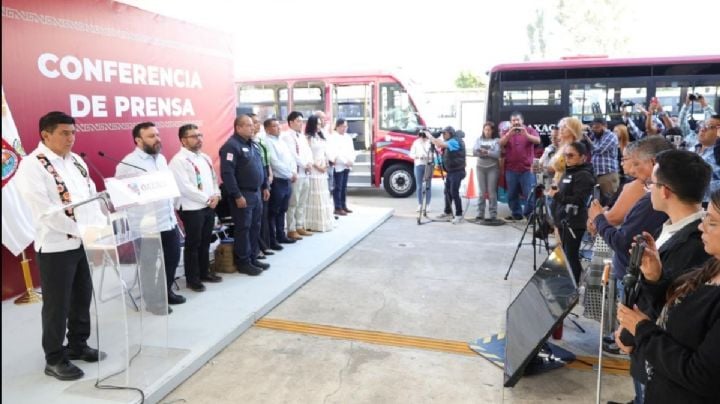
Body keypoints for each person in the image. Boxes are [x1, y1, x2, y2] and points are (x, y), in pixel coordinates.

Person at [612, 149, 712, 404]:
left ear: (665, 190)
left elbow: (677, 311)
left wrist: (635, 333)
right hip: (648, 348)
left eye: (651, 184)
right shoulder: (667, 229)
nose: (649, 190)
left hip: (659, 359)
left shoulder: (698, 246)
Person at [15, 111, 104, 381]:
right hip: (56, 246)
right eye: (65, 133)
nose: (71, 138)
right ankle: (54, 358)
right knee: (57, 304)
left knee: (81, 296)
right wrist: (82, 231)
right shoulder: (33, 166)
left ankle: (78, 344)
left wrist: (99, 226)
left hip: (83, 241)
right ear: (45, 134)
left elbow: (90, 196)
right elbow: (47, 212)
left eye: (73, 132)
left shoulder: (76, 161)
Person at [116, 122, 186, 307]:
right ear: (138, 140)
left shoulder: (161, 159)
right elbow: (122, 196)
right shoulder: (128, 163)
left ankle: (166, 291)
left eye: (157, 134)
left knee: (172, 258)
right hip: (146, 225)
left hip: (167, 220)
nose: (157, 139)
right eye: (151, 136)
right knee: (148, 264)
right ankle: (152, 300)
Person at [168, 124, 223, 293]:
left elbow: (214, 179)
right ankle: (192, 279)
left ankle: (204, 272)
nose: (199, 139)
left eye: (200, 135)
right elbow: (185, 187)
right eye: (193, 136)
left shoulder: (205, 157)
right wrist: (207, 199)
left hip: (208, 205)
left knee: (206, 240)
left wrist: (216, 195)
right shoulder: (178, 161)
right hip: (191, 208)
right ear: (183, 140)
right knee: (194, 243)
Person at [219, 115, 270, 276]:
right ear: (238, 128)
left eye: (252, 125)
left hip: (256, 193)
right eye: (248, 125)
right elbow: (227, 174)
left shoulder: (253, 144)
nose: (252, 127)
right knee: (243, 228)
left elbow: (260, 167)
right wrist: (236, 195)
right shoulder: (231, 146)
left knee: (255, 226)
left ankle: (253, 257)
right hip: (243, 194)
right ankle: (243, 262)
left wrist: (265, 186)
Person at [547, 142, 596, 283]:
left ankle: (573, 286)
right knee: (566, 255)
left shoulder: (584, 175)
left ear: (583, 158)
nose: (567, 158)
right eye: (565, 155)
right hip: (564, 221)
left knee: (571, 255)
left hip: (574, 223)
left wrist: (556, 195)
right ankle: (571, 282)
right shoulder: (570, 172)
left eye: (571, 155)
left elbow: (579, 201)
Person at [499, 112, 541, 221]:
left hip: (527, 170)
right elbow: (500, 143)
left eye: (518, 120)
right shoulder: (506, 131)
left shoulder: (530, 130)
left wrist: (525, 134)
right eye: (513, 120)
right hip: (511, 169)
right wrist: (509, 134)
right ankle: (516, 213)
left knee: (529, 194)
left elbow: (538, 140)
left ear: (522, 121)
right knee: (512, 194)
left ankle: (529, 215)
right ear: (511, 122)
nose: (516, 122)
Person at [264, 118, 297, 248]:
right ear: (267, 129)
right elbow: (274, 162)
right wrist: (290, 174)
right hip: (277, 180)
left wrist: (293, 172)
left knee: (283, 209)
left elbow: (290, 158)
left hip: (287, 180)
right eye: (275, 126)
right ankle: (273, 240)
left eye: (279, 126)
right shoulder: (267, 142)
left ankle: (281, 235)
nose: (278, 128)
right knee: (274, 211)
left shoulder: (281, 141)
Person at [281, 111, 313, 240]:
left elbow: (308, 151)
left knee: (302, 202)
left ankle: (300, 225)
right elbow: (293, 154)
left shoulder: (302, 136)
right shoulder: (287, 136)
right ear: (291, 122)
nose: (301, 124)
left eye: (302, 121)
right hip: (296, 173)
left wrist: (310, 162)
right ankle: (291, 228)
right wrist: (304, 164)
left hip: (306, 173)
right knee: (293, 202)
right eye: (299, 121)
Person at [304, 115, 336, 231]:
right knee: (314, 195)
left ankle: (323, 221)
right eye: (317, 123)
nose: (319, 125)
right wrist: (318, 167)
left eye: (320, 123)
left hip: (323, 167)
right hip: (314, 169)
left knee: (323, 194)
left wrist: (326, 163)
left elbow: (324, 152)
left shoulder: (320, 136)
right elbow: (307, 155)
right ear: (312, 124)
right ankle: (311, 223)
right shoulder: (308, 137)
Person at [431, 126, 466, 224]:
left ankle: (459, 215)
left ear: (450, 133)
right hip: (451, 171)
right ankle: (448, 212)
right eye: (442, 133)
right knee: (447, 191)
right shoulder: (450, 142)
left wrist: (429, 135)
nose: (443, 135)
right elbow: (444, 154)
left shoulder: (454, 141)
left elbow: (439, 143)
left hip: (457, 171)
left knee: (454, 192)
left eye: (445, 133)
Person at [473, 121, 501, 221]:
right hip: (480, 167)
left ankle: (493, 214)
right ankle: (480, 213)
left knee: (491, 192)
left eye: (489, 130)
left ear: (492, 131)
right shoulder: (479, 140)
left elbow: (497, 154)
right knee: (481, 191)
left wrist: (486, 152)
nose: (487, 132)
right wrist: (488, 152)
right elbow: (474, 152)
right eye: (485, 130)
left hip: (492, 167)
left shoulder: (496, 140)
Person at [327, 118, 356, 214]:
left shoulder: (348, 137)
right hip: (339, 165)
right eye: (343, 126)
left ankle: (344, 206)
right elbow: (335, 152)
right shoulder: (333, 137)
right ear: (338, 126)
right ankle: (337, 207)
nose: (345, 128)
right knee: (338, 187)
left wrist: (351, 160)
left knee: (344, 187)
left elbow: (352, 151)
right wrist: (344, 161)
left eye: (346, 126)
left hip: (347, 165)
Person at [590, 117, 620, 198]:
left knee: (609, 201)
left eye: (597, 127)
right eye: (593, 127)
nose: (595, 130)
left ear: (605, 126)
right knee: (597, 202)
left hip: (607, 175)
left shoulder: (611, 136)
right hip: (596, 175)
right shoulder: (596, 137)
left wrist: (587, 139)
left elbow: (599, 150)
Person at [696, 115, 720, 206]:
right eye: (703, 125)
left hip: (708, 207)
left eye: (710, 127)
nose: (703, 129)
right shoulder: (690, 148)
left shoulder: (717, 156)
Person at [410, 128, 433, 212]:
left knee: (428, 186)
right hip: (418, 164)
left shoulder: (430, 142)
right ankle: (419, 204)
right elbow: (411, 154)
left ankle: (428, 205)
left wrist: (427, 157)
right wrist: (417, 156)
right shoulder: (416, 142)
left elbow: (433, 154)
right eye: (421, 136)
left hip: (428, 165)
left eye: (424, 136)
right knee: (419, 186)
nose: (422, 138)